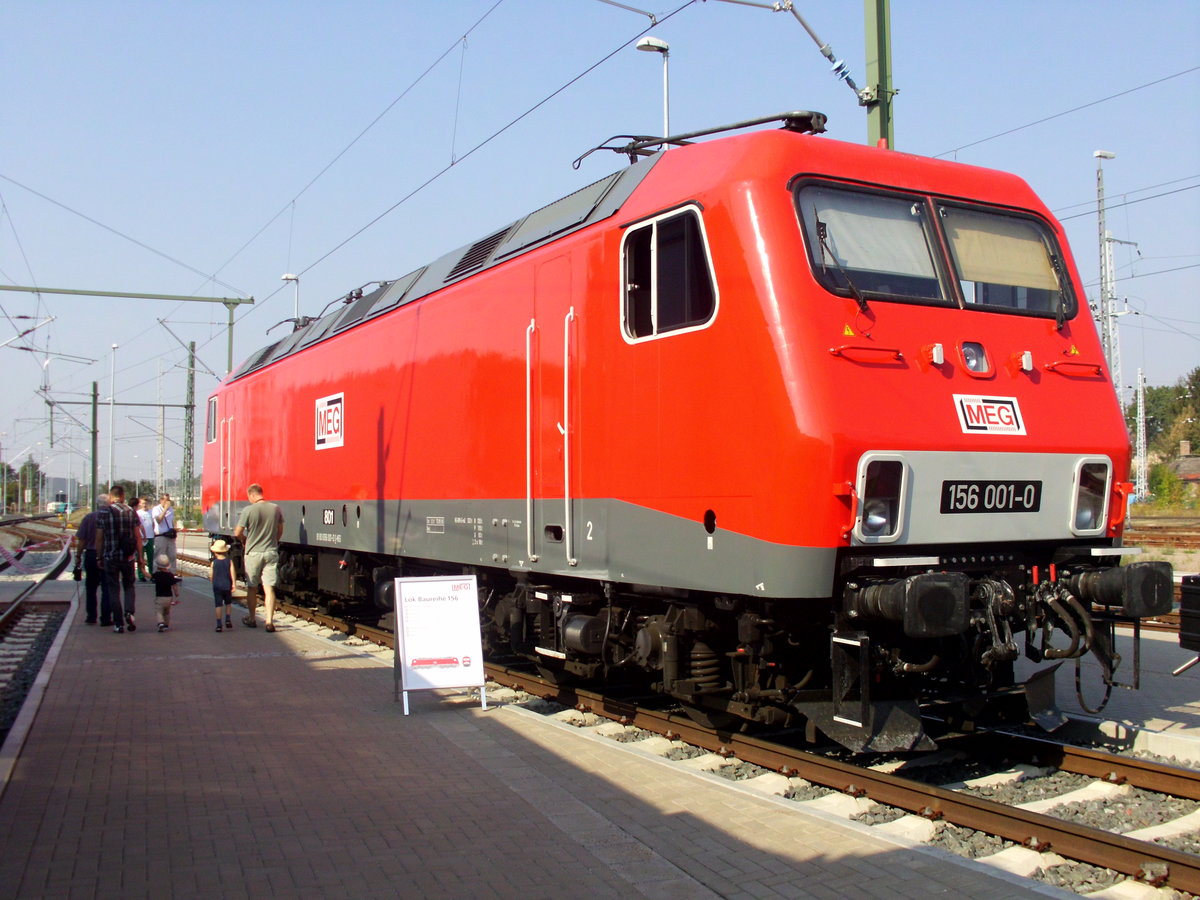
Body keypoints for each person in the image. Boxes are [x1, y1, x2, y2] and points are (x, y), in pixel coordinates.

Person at [95, 484, 145, 633]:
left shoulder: (104, 513)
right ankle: (129, 612)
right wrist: (140, 557)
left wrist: (99, 556)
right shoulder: (131, 512)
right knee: (129, 586)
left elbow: (99, 537)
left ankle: (118, 623)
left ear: (111, 497)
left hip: (111, 557)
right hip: (128, 557)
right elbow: (137, 536)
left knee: (113, 589)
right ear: (123, 497)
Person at [234, 483, 283, 633]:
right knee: (269, 588)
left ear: (253, 495)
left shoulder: (248, 510)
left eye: (249, 497)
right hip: (271, 551)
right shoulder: (275, 508)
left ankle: (252, 618)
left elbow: (237, 532)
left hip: (253, 552)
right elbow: (280, 530)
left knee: (252, 587)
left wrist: (244, 539)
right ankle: (269, 621)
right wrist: (274, 541)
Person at [73, 494, 111, 625]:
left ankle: (91, 616)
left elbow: (81, 540)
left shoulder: (88, 517)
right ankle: (106, 618)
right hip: (107, 555)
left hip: (90, 555)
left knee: (91, 587)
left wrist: (78, 556)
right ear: (109, 504)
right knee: (107, 587)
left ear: (96, 505)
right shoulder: (111, 517)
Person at [209, 539, 237, 632]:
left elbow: (211, 575)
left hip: (217, 586)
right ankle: (228, 620)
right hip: (227, 586)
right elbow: (232, 573)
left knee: (218, 605)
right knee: (228, 603)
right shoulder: (229, 561)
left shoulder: (214, 563)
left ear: (215, 552)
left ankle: (219, 625)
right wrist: (234, 584)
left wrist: (212, 581)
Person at [151, 554, 182, 632]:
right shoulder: (170, 575)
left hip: (160, 597)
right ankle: (166, 625)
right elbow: (174, 585)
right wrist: (176, 593)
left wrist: (143, 571)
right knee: (167, 612)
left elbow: (149, 576)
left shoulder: (156, 575)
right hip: (169, 597)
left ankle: (160, 623)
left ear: (158, 566)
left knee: (159, 611)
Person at [152, 493, 177, 573]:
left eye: (168, 500)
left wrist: (174, 530)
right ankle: (156, 574)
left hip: (170, 536)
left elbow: (171, 521)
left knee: (172, 556)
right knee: (159, 556)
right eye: (166, 500)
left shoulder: (171, 510)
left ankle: (171, 574)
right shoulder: (156, 509)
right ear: (161, 500)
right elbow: (158, 520)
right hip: (161, 536)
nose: (168, 502)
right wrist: (165, 509)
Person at [136, 498, 155, 581]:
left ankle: (151, 575)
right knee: (140, 557)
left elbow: (154, 523)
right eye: (143, 503)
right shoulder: (138, 513)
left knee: (151, 557)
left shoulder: (151, 512)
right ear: (140, 504)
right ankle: (141, 575)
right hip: (140, 537)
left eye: (146, 503)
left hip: (150, 537)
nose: (145, 505)